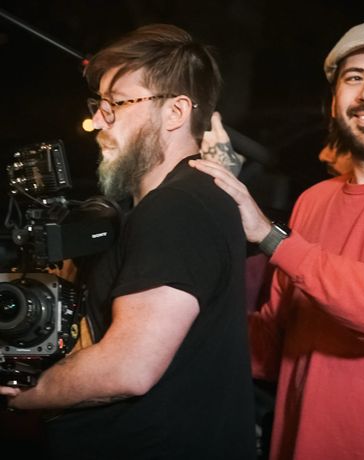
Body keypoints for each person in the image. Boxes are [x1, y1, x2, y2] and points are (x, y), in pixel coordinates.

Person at [189, 20, 364, 460]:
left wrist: (271, 238)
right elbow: (272, 345)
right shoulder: (313, 201)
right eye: (354, 78)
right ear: (335, 104)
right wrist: (173, 308)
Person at [0, 23, 257, 460]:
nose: (98, 121)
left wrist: (25, 393)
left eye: (117, 103)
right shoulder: (181, 201)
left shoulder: (176, 207)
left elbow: (129, 367)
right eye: (98, 105)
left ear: (175, 112)